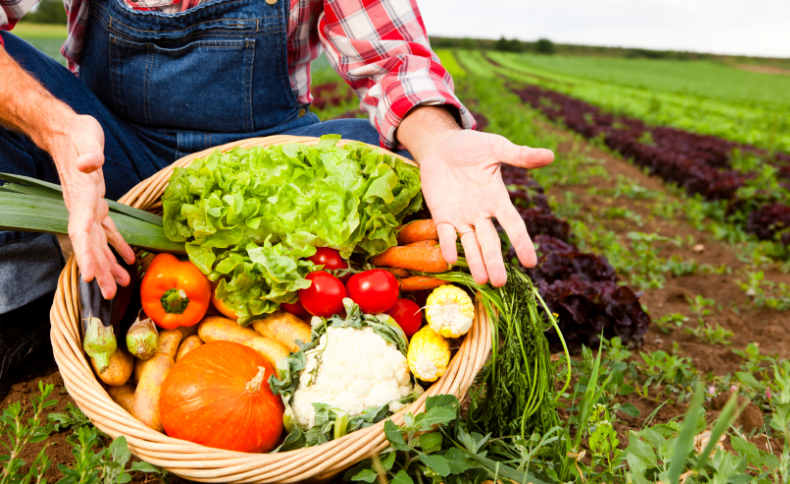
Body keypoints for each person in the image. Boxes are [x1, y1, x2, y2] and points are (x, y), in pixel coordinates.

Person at [0, 0, 555, 390]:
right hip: (112, 149)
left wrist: (438, 144)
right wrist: (54, 127)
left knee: (395, 164)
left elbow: (392, 60)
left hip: (263, 158)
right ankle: (24, 312)